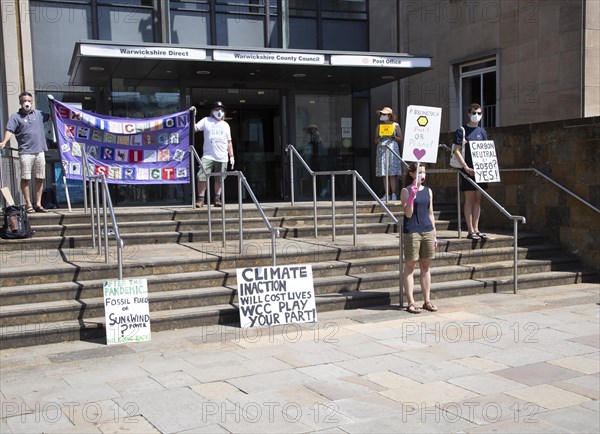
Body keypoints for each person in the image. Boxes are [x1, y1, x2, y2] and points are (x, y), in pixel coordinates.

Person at [0, 92, 50, 213]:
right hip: (25, 152)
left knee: (39, 178)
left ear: (32, 101)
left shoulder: (39, 114)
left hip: (40, 152)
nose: (27, 103)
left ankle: (38, 204)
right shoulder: (15, 117)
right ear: (20, 102)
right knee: (25, 178)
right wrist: (4, 142)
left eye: (29, 100)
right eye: (24, 101)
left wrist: (55, 105)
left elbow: (54, 116)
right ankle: (28, 204)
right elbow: (9, 130)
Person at [400, 162, 438, 314]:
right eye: (420, 172)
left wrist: (435, 235)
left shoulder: (428, 191)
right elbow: (408, 213)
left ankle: (427, 300)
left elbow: (431, 214)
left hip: (427, 230)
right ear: (412, 174)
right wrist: (411, 197)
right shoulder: (406, 190)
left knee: (425, 266)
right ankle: (411, 302)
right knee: (410, 266)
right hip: (412, 231)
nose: (423, 175)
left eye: (424, 172)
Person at [452, 103, 488, 240]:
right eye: (474, 113)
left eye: (479, 113)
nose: (476, 115)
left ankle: (476, 228)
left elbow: (486, 149)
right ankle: (470, 230)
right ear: (468, 114)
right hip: (467, 170)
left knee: (478, 199)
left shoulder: (482, 132)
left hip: (481, 170)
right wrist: (465, 167)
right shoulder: (462, 130)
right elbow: (456, 150)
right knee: (470, 199)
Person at [190, 101, 235, 207]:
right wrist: (193, 115)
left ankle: (217, 199)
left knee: (219, 178)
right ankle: (200, 200)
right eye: (216, 109)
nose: (219, 112)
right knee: (201, 176)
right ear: (212, 111)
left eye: (221, 110)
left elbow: (229, 142)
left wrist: (231, 156)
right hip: (208, 155)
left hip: (222, 156)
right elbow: (194, 128)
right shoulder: (206, 120)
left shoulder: (226, 125)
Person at [374, 106, 403, 201]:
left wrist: (393, 137)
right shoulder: (379, 126)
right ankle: (386, 194)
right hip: (382, 149)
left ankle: (394, 194)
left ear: (389, 116)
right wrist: (380, 137)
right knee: (384, 173)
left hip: (392, 149)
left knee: (392, 173)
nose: (383, 116)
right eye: (382, 114)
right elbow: (375, 140)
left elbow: (400, 139)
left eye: (384, 114)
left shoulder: (395, 125)